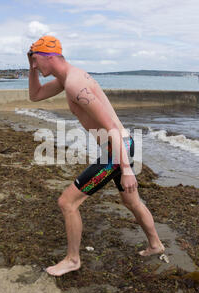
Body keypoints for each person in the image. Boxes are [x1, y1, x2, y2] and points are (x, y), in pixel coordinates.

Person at [27, 36, 165, 277]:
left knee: (67, 202)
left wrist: (127, 169)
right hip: (121, 146)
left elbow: (111, 126)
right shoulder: (66, 79)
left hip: (116, 150)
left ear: (49, 56)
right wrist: (31, 67)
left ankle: (72, 259)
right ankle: (156, 245)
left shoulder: (74, 84)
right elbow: (35, 95)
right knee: (132, 202)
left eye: (36, 60)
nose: (36, 65)